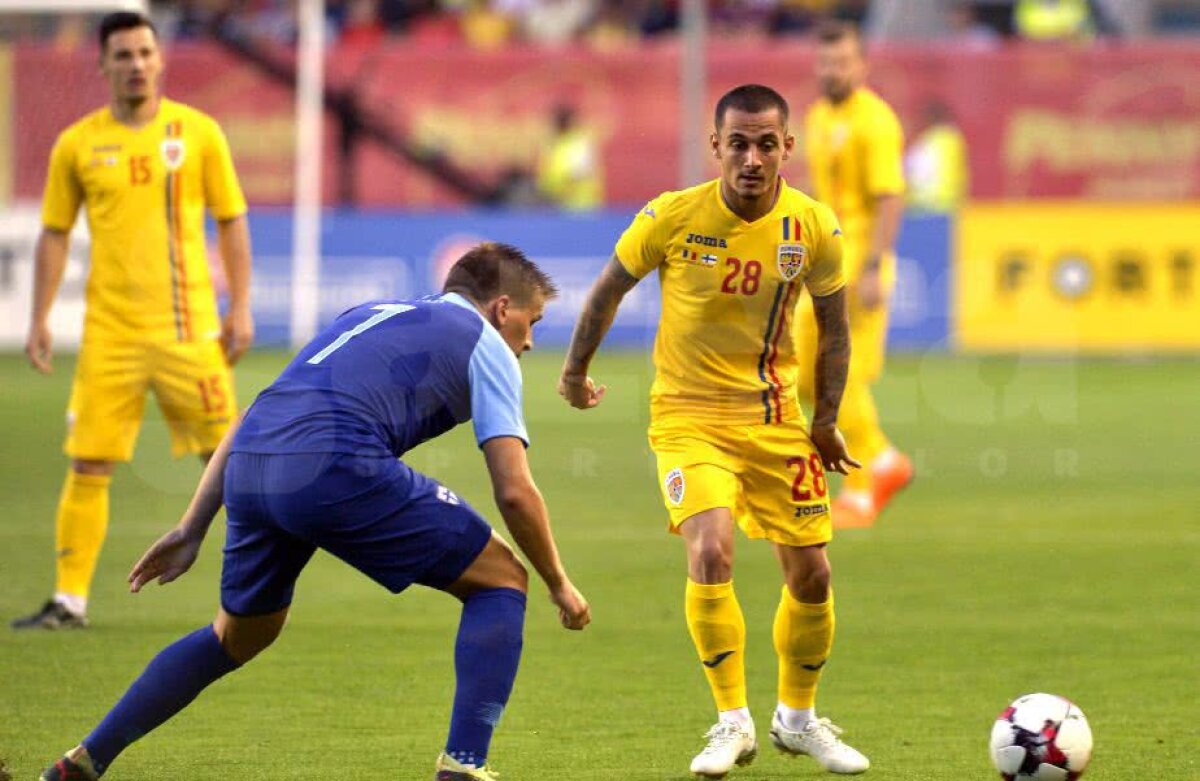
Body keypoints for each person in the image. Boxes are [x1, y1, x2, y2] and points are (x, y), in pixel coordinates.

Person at [39, 242, 592, 781]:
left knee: (238, 635)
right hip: (334, 462)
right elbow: (514, 490)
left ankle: (84, 761)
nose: (531, 342)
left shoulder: (371, 312)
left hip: (253, 462)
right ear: (502, 309)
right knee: (502, 579)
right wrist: (558, 582)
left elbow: (259, 408)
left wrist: (193, 525)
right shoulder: (487, 345)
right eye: (533, 321)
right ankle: (463, 767)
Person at [559, 84, 869, 777]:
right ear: (716, 147)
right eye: (739, 143)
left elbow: (837, 329)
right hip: (687, 416)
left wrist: (823, 422)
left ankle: (797, 717)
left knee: (813, 572)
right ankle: (732, 721)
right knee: (711, 549)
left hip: (774, 418)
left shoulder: (812, 227)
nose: (753, 158)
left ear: (788, 146)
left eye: (767, 143)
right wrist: (576, 371)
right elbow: (609, 286)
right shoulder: (673, 216)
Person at [13, 11, 254, 629]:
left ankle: (257, 589)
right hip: (110, 338)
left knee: (230, 461)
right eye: (123, 55)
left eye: (145, 52)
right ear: (103, 65)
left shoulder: (198, 133)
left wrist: (242, 305)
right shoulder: (78, 144)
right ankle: (69, 601)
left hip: (190, 332)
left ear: (160, 58)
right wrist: (39, 316)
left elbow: (231, 219)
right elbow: (54, 233)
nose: (137, 64)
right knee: (88, 464)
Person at [799, 20, 912, 528]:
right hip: (824, 261)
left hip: (859, 261)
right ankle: (883, 460)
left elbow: (890, 196)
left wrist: (872, 266)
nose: (832, 71)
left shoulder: (876, 121)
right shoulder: (818, 116)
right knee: (804, 369)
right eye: (825, 62)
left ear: (861, 66)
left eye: (842, 62)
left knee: (840, 373)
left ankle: (864, 484)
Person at [535, 103, 604, 211]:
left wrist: (554, 191)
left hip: (580, 208)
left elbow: (578, 174)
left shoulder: (579, 143)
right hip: (558, 209)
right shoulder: (554, 145)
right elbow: (547, 176)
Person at [905, 100, 969, 215]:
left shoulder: (932, 142)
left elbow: (916, 173)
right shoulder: (953, 139)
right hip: (948, 205)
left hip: (927, 206)